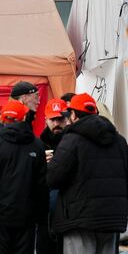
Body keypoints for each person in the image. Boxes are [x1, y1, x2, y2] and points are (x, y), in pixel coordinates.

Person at [47, 93, 128, 254]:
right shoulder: (119, 140)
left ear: (74, 114)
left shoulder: (72, 139)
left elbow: (53, 178)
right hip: (112, 220)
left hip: (79, 219)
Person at [0, 101, 47, 254]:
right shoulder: (37, 145)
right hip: (27, 218)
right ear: (23, 119)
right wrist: (41, 217)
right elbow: (41, 186)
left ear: (2, 119)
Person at [37, 98, 69, 254]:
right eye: (53, 119)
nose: (57, 123)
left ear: (67, 118)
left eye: (60, 119)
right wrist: (41, 163)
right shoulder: (37, 144)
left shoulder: (74, 141)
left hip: (69, 210)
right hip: (45, 211)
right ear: (46, 120)